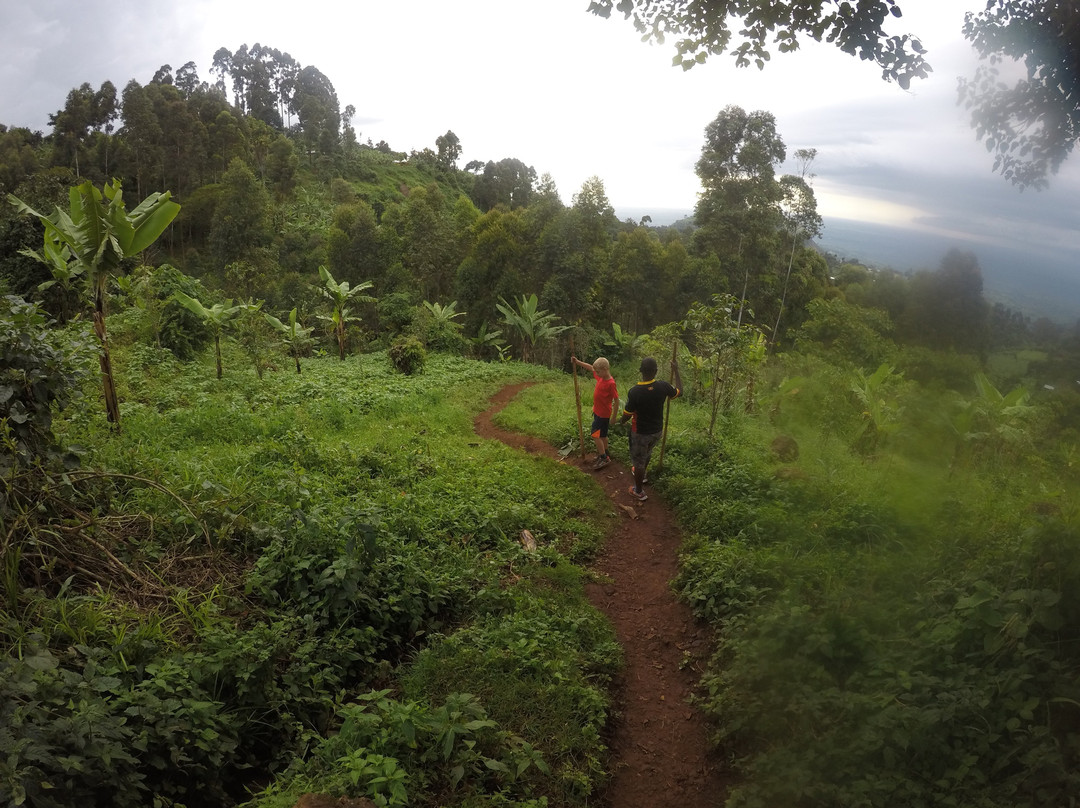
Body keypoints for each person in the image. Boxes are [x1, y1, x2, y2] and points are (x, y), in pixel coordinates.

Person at [619, 355, 681, 501]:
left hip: (640, 433)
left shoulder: (635, 391)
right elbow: (679, 391)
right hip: (657, 431)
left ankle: (639, 491)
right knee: (646, 453)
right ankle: (643, 475)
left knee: (638, 461)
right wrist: (676, 371)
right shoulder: (663, 386)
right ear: (656, 371)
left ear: (641, 371)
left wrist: (620, 422)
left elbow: (627, 414)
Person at [571, 355, 618, 469]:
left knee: (594, 434)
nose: (596, 373)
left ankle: (603, 457)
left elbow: (616, 400)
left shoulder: (611, 383)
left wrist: (614, 417)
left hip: (603, 414)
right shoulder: (600, 377)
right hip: (598, 412)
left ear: (605, 369)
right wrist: (577, 362)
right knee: (602, 435)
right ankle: (605, 452)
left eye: (598, 372)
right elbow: (590, 367)